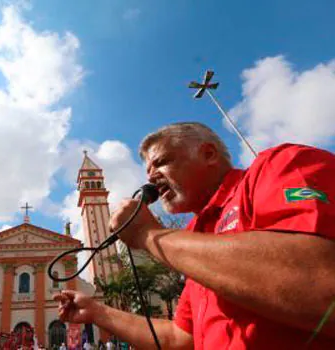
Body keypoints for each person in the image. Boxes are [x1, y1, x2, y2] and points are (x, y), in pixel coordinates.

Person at [54, 122, 335, 349]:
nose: (151, 178)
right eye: (148, 171)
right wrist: (97, 313)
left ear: (209, 154)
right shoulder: (193, 237)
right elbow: (181, 338)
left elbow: (320, 285)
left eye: (161, 162)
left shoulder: (277, 168)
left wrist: (148, 234)